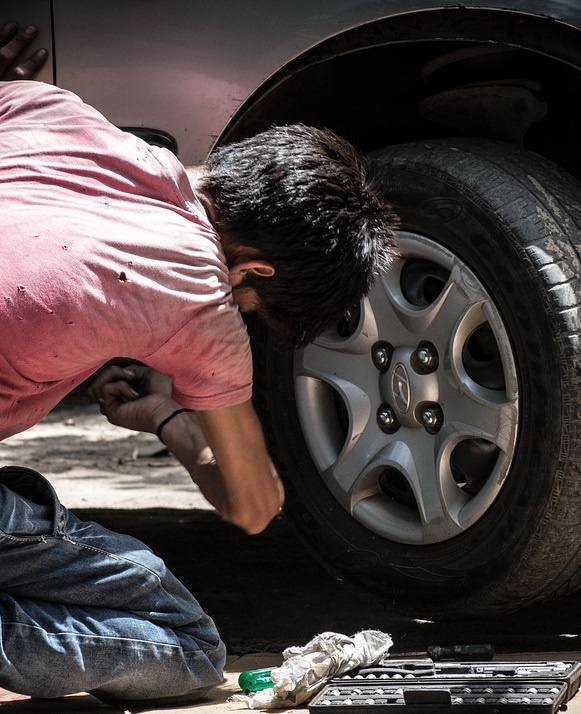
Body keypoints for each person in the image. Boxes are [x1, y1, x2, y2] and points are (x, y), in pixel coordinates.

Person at [0, 24, 398, 708]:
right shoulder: (203, 304)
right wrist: (171, 417)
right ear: (253, 269)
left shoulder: (48, 108)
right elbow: (251, 504)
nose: (238, 308)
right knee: (183, 644)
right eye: (252, 302)